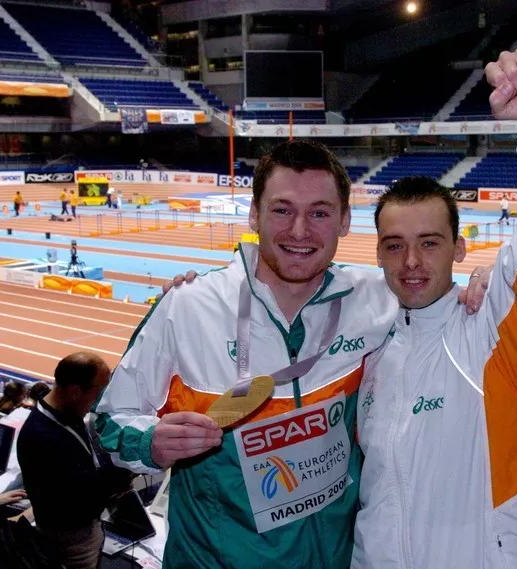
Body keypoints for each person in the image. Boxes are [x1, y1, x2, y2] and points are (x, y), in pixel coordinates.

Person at [162, 45, 517, 569]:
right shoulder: (365, 342)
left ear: (459, 250)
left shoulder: (493, 336)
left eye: (430, 243)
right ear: (377, 250)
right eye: (394, 245)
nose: (411, 262)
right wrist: (205, 294)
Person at [95, 138, 492, 569]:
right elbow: (111, 420)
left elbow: (431, 289)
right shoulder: (188, 306)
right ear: (253, 214)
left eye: (319, 213)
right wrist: (149, 442)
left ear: (343, 221)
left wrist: (484, 281)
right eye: (282, 210)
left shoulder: (376, 300)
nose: (299, 231)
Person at [17, 352, 134, 569]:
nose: (99, 401)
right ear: (74, 391)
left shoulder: (61, 410)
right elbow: (79, 502)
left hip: (70, 530)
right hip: (72, 542)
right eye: (97, 393)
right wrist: (124, 473)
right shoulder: (45, 438)